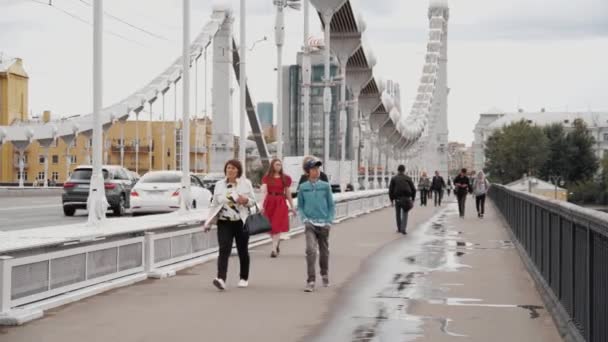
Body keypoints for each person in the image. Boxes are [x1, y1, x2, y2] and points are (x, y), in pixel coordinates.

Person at [204, 159, 256, 291]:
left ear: (238, 170)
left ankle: (244, 277)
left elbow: (254, 202)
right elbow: (214, 204)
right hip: (224, 222)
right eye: (228, 168)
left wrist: (246, 200)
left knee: (242, 250)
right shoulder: (219, 185)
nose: (230, 170)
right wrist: (208, 221)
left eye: (233, 168)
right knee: (224, 249)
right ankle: (221, 279)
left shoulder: (246, 183)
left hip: (241, 221)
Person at [298, 159, 335, 293]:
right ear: (308, 171)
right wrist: (304, 219)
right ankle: (311, 280)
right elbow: (300, 206)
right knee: (310, 250)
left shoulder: (325, 186)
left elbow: (331, 205)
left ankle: (324, 273)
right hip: (310, 224)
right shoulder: (303, 187)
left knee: (324, 251)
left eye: (318, 169)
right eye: (313, 169)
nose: (316, 171)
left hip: (324, 223)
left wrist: (329, 221)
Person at [261, 158, 295, 258]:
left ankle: (274, 249)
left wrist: (292, 206)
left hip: (280, 202)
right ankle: (276, 243)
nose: (278, 166)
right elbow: (264, 192)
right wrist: (262, 205)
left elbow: (288, 193)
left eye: (280, 165)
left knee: (276, 225)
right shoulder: (267, 178)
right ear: (272, 165)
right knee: (270, 227)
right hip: (269, 202)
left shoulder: (285, 178)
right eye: (276, 164)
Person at [389, 165, 416, 235]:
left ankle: (399, 228)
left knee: (397, 214)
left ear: (398, 170)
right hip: (406, 198)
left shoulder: (394, 178)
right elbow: (414, 189)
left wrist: (391, 200)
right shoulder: (408, 178)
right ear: (404, 170)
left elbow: (390, 190)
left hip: (397, 199)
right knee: (405, 213)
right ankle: (403, 229)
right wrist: (413, 198)